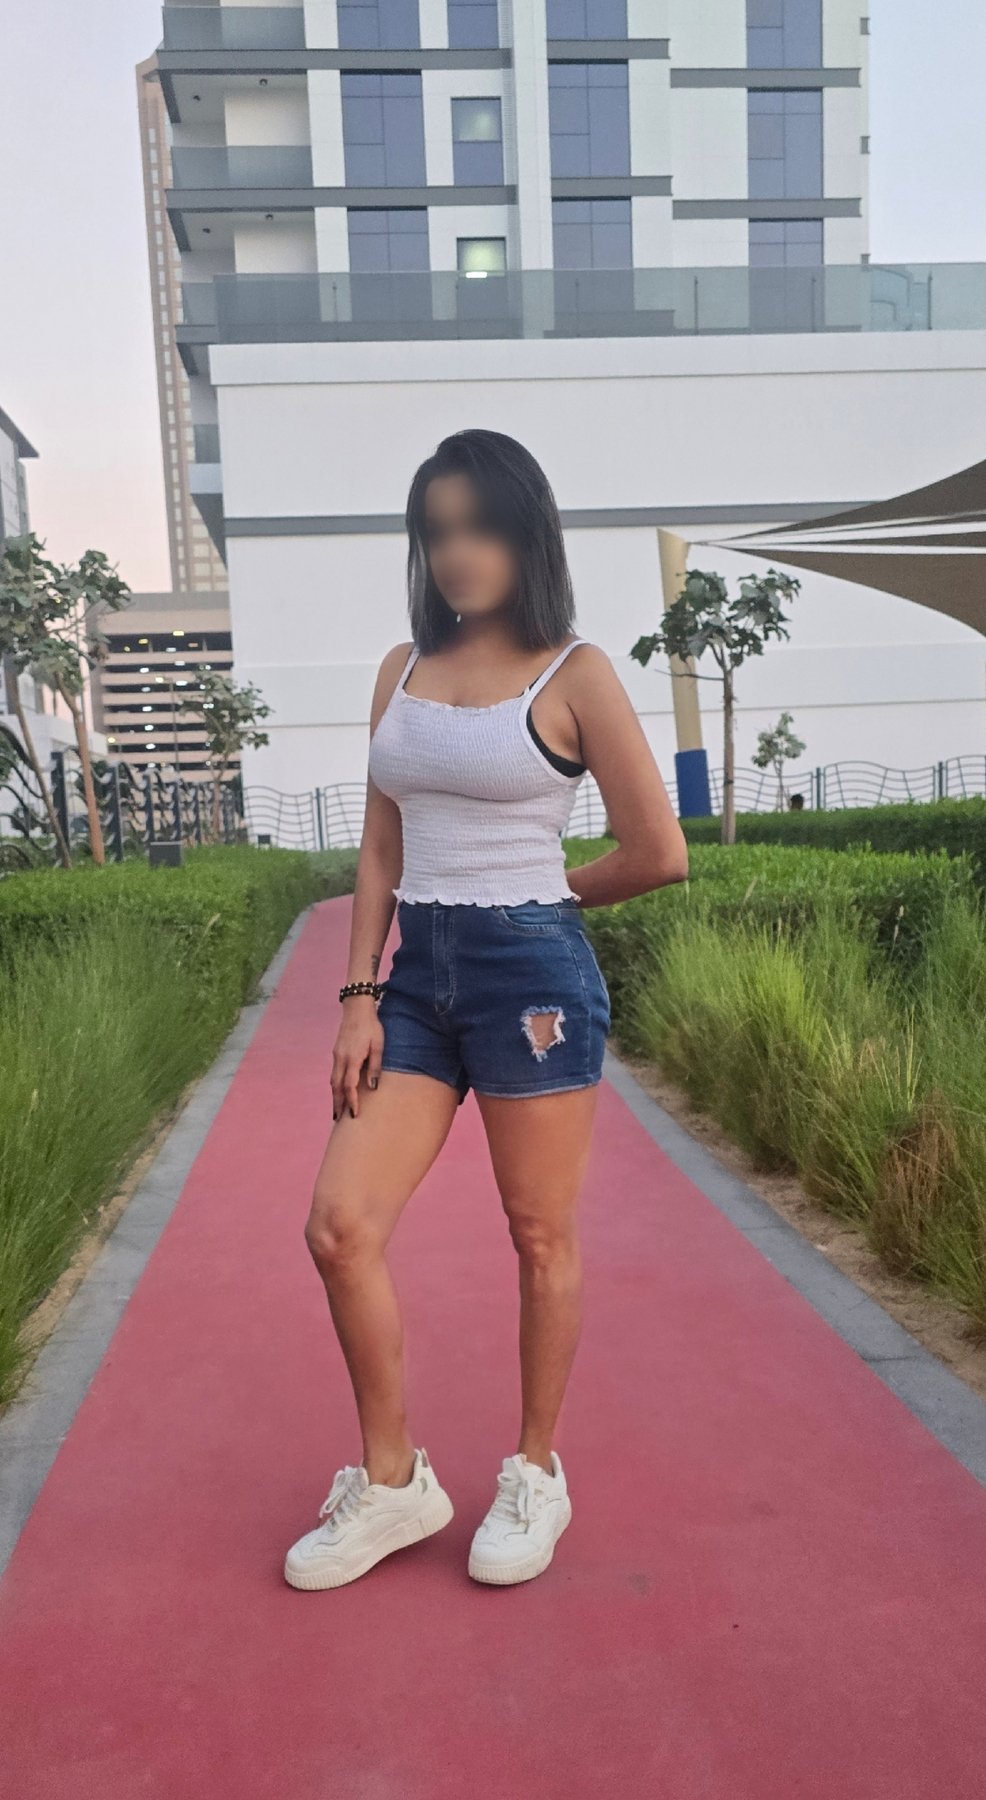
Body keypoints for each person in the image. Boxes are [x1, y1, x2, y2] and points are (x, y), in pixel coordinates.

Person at [284, 428, 688, 1593]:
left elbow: (657, 851)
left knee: (538, 1233)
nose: (458, 552)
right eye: (437, 531)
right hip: (415, 979)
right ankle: (394, 1482)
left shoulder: (575, 673)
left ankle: (534, 1469)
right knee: (338, 1225)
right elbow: (379, 848)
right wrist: (357, 996)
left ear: (527, 534)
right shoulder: (400, 669)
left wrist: (541, 898)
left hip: (531, 979)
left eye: (481, 527)